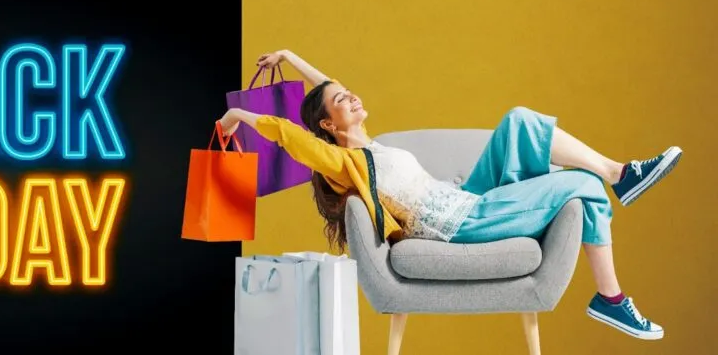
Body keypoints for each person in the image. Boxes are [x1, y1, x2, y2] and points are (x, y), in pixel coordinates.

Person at [217, 49, 682, 341]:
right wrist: (237, 115)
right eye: (342, 102)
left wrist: (290, 56)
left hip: (467, 198)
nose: (353, 98)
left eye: (350, 93)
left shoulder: (371, 144)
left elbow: (329, 88)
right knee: (585, 186)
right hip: (459, 223)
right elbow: (291, 136)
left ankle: (620, 173)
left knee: (520, 119)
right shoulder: (344, 162)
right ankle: (611, 298)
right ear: (327, 125)